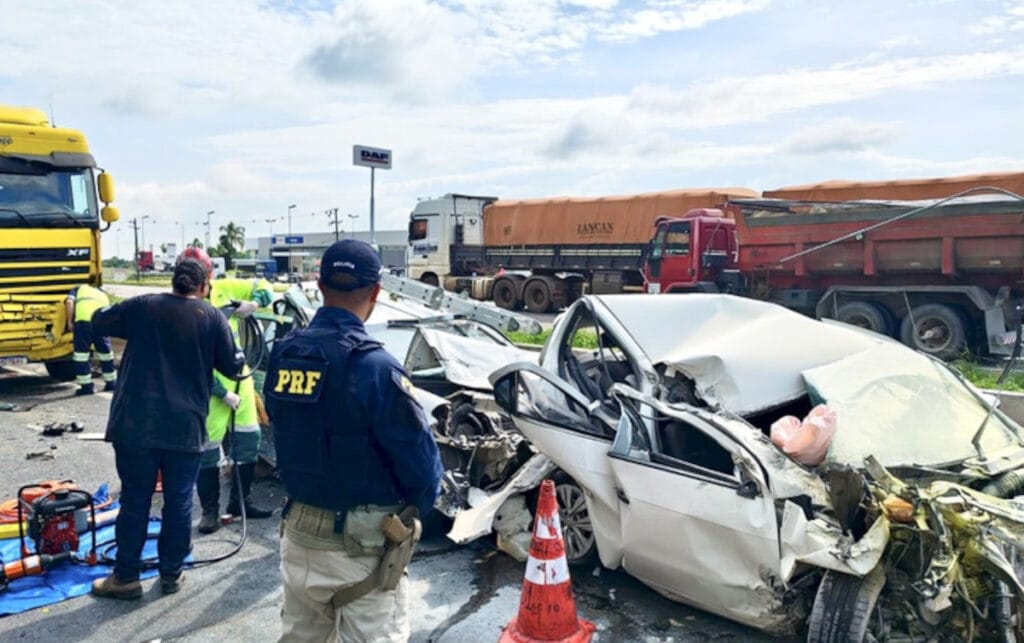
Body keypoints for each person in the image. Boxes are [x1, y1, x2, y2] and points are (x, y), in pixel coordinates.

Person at [264, 239, 443, 642]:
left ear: (319, 284)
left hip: (298, 536)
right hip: (362, 549)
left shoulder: (283, 354)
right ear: (376, 293)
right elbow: (423, 469)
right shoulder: (376, 367)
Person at [89, 258, 244, 600]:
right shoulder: (211, 316)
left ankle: (126, 578)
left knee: (135, 500)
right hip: (183, 428)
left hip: (135, 425)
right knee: (178, 502)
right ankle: (172, 574)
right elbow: (233, 365)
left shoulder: (144, 306)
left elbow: (98, 320)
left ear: (174, 281)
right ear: (205, 285)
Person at [174, 248, 275, 533]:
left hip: (240, 380)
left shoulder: (226, 287)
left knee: (248, 440)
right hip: (208, 387)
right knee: (207, 449)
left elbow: (266, 287)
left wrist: (252, 303)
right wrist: (221, 392)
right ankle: (209, 512)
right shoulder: (178, 306)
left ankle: (240, 502)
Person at [64, 284, 117, 395]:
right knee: (106, 354)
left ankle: (87, 387)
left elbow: (69, 302)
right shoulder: (102, 293)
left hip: (83, 323)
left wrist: (69, 322)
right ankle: (111, 383)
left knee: (82, 356)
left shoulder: (79, 289)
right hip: (102, 323)